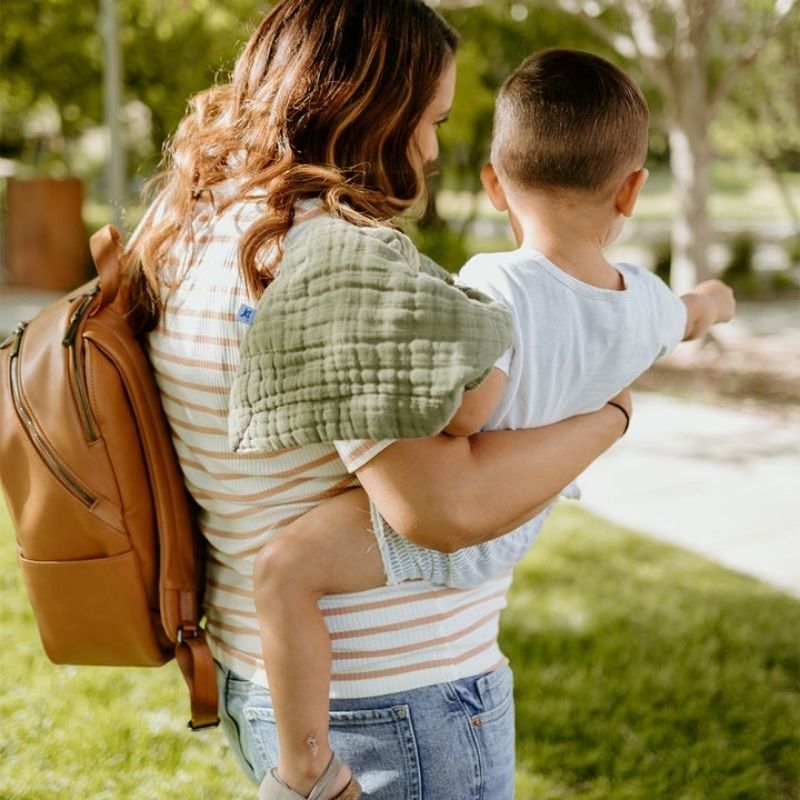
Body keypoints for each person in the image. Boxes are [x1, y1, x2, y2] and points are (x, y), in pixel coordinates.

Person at [128, 4, 636, 798]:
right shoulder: (325, 260)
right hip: (394, 701)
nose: (431, 149)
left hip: (274, 680)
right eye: (427, 119)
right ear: (367, 107)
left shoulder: (193, 224)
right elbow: (441, 508)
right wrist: (613, 415)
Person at [248, 47, 736, 799]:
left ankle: (305, 768)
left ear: (494, 183)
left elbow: (470, 407)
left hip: (451, 528)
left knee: (284, 571)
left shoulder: (493, 285)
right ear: (632, 189)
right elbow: (696, 313)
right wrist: (714, 298)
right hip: (517, 524)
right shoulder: (645, 302)